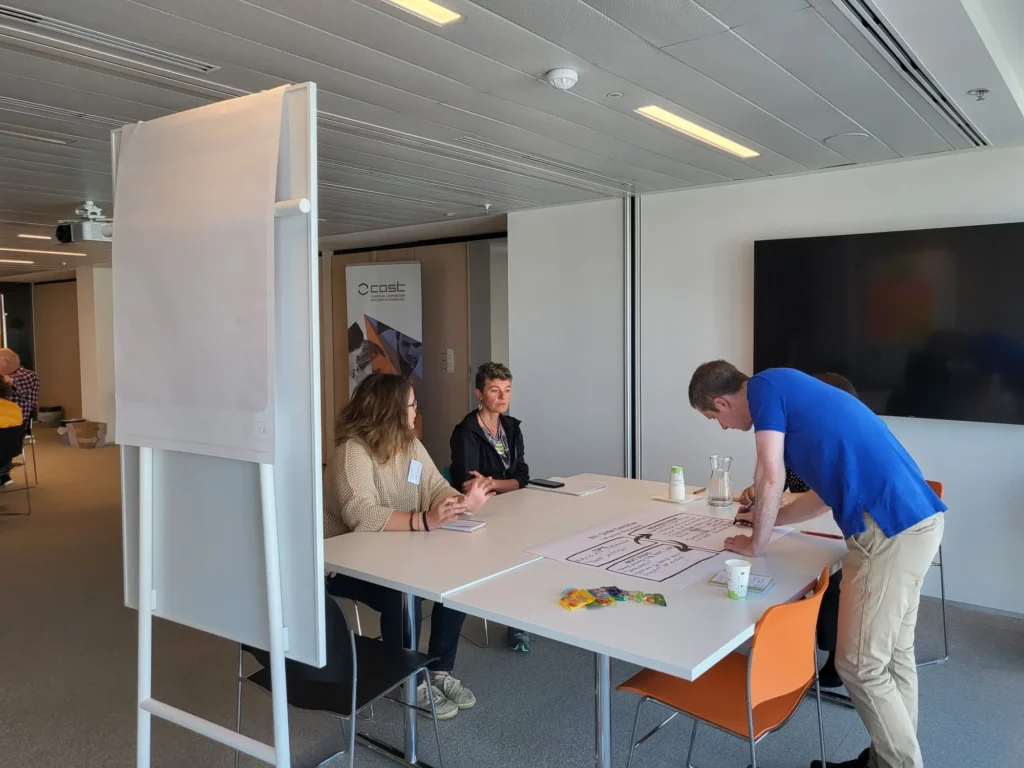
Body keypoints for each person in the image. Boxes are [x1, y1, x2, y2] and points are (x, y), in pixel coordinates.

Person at [689, 361, 945, 768]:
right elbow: (823, 497)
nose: (721, 427)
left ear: (722, 401)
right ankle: (885, 758)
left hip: (888, 530)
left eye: (714, 417)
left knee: (858, 665)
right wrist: (765, 520)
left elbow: (769, 477)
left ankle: (900, 764)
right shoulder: (794, 393)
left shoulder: (765, 388)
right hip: (914, 524)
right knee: (893, 654)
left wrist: (757, 544)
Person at [323, 373, 491, 721]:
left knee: (455, 581)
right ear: (391, 411)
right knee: (400, 595)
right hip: (343, 564)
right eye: (412, 405)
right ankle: (408, 680)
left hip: (397, 553)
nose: (417, 412)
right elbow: (361, 515)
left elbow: (434, 488)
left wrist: (462, 502)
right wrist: (422, 521)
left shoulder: (410, 446)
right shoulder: (351, 452)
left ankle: (438, 671)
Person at [737, 372, 858, 689]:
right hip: (807, 520)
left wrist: (772, 506)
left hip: (839, 527)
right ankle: (785, 646)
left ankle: (834, 657)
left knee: (831, 575)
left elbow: (826, 493)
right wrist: (758, 494)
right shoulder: (792, 436)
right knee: (789, 567)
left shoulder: (838, 441)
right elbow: (779, 482)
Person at [450, 362, 531, 652]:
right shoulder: (466, 432)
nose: (502, 397)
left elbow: (522, 476)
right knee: (511, 551)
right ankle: (514, 621)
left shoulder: (511, 427)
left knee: (530, 547)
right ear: (479, 394)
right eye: (495, 390)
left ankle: (519, 619)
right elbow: (470, 484)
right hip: (482, 513)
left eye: (507, 390)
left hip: (513, 507)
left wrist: (494, 483)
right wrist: (504, 483)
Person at [0, 349, 37, 486]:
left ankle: (2, 472)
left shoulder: (28, 375)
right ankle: (3, 474)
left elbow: (7, 380)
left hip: (15, 430)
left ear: (4, 363)